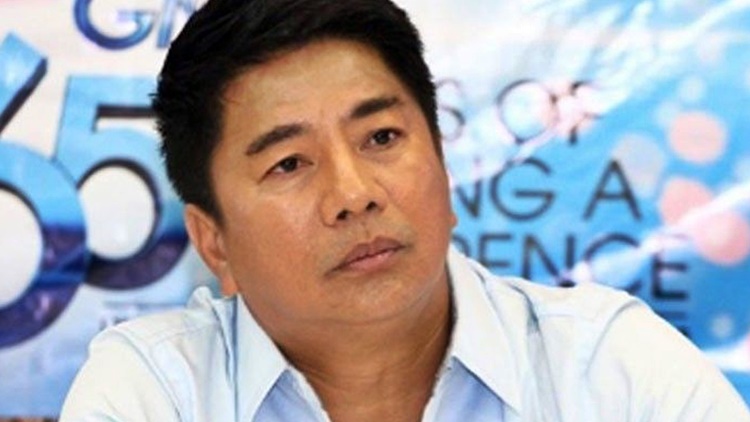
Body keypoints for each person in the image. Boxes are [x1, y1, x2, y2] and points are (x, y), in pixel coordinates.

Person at [60, 0, 750, 420]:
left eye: (382, 138)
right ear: (214, 241)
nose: (354, 193)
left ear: (443, 162)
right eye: (289, 163)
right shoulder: (153, 393)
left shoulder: (611, 368)